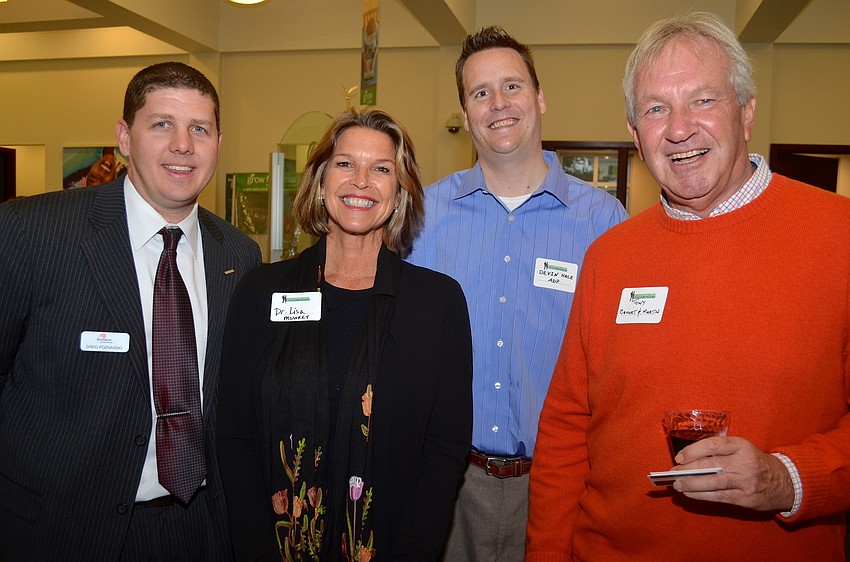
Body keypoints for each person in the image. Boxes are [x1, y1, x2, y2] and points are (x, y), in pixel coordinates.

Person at [526, 12, 850, 561]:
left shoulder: (838, 236)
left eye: (702, 100)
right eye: (656, 109)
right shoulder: (609, 256)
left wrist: (788, 478)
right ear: (635, 134)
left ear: (746, 112)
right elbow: (565, 432)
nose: (679, 129)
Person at [0, 62, 262, 561]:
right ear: (124, 136)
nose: (183, 145)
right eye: (162, 124)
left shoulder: (238, 255)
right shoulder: (32, 233)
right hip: (62, 531)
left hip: (201, 529)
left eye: (199, 129)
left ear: (218, 143)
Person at [406, 26, 627, 561]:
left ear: (540, 97)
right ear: (465, 114)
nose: (498, 104)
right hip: (448, 485)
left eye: (512, 86)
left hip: (564, 483)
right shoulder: (421, 217)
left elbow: (623, 364)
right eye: (480, 92)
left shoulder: (603, 222)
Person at [217, 107, 473, 561]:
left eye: (381, 169)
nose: (361, 181)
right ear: (320, 183)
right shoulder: (260, 291)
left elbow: (445, 450)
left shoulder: (438, 303)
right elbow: (235, 435)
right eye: (345, 164)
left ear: (399, 192)